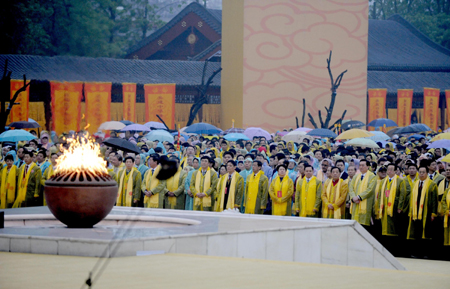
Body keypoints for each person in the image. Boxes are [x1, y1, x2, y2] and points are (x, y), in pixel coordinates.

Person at [407, 165, 438, 258]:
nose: (421, 174)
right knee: (417, 232)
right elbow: (412, 199)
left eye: (423, 172)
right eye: (420, 172)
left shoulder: (432, 184)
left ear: (427, 173)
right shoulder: (415, 184)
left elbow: (434, 200)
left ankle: (426, 253)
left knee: (426, 233)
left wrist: (433, 213)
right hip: (416, 213)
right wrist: (411, 212)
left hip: (427, 212)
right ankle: (417, 253)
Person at [375, 163, 406, 254]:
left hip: (394, 208)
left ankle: (394, 250)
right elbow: (380, 194)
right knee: (384, 229)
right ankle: (385, 250)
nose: (389, 171)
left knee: (393, 229)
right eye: (388, 169)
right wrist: (379, 207)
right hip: (384, 207)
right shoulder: (383, 181)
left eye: (392, 169)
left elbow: (402, 195)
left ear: (396, 171)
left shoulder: (400, 181)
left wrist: (400, 207)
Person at [349, 160, 377, 229]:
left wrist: (359, 197)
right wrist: (353, 197)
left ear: (368, 166)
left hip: (365, 203)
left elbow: (370, 190)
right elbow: (351, 188)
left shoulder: (372, 176)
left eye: (363, 165)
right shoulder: (356, 176)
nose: (361, 167)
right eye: (360, 165)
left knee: (364, 226)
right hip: (356, 203)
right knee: (355, 225)